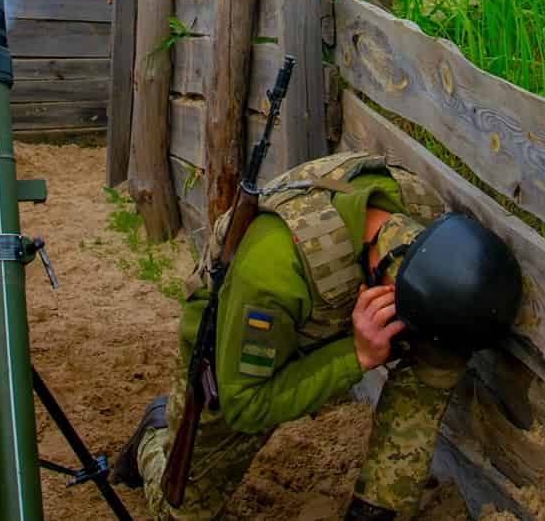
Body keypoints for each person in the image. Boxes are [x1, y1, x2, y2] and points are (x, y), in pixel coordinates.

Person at [110, 150, 523, 521]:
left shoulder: (423, 224)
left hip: (336, 304)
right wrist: (356, 356)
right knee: (180, 513)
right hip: (239, 356)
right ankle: (155, 430)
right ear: (387, 292)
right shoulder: (269, 281)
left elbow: (434, 370)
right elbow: (245, 403)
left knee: (436, 358)